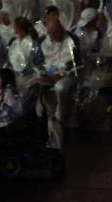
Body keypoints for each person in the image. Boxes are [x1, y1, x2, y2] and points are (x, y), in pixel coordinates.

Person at [38, 17, 76, 149]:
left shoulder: (71, 40)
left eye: (55, 33)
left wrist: (58, 75)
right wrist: (48, 73)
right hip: (52, 72)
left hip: (69, 74)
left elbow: (70, 63)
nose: (53, 36)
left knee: (60, 88)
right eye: (51, 34)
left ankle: (62, 116)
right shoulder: (45, 41)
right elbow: (47, 61)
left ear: (61, 29)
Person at [7, 16, 42, 88]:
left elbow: (30, 62)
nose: (14, 27)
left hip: (27, 75)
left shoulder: (31, 43)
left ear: (20, 28)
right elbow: (11, 57)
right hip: (16, 73)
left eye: (15, 26)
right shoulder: (15, 41)